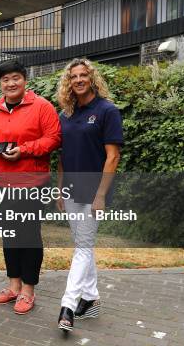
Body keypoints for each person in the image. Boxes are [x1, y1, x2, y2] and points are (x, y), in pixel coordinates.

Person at [0, 60, 61, 315]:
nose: (11, 83)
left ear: (25, 80)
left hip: (30, 184)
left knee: (28, 237)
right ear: (0, 84)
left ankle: (28, 290)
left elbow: (53, 138)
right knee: (9, 236)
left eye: (15, 78)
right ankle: (13, 286)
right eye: (5, 80)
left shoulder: (42, 106)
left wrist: (24, 151)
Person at [56, 58, 123, 332]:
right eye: (74, 76)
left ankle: (68, 306)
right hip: (71, 190)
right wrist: (59, 190)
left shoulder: (107, 110)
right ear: (69, 82)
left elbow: (113, 156)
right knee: (83, 244)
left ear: (92, 78)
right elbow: (62, 156)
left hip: (93, 191)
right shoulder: (65, 114)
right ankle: (91, 298)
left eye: (84, 75)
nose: (79, 80)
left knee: (82, 247)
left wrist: (100, 195)